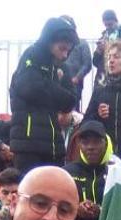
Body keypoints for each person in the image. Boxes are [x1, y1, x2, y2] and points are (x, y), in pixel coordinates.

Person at [9, 17, 78, 174]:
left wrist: (47, 86)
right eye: (62, 46)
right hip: (28, 144)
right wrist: (55, 85)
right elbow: (29, 88)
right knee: (30, 195)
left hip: (54, 145)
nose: (66, 52)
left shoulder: (63, 67)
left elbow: (70, 101)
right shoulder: (32, 55)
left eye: (69, 48)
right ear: (50, 40)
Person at [64, 120, 114, 220]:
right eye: (85, 142)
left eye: (96, 142)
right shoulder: (66, 172)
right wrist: (76, 209)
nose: (91, 147)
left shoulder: (117, 172)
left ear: (106, 142)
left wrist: (101, 211)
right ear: (79, 144)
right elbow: (57, 205)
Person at [92, 9, 121, 81]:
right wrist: (98, 51)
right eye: (106, 25)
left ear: (116, 21)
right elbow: (95, 62)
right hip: (103, 78)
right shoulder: (103, 36)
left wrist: (109, 47)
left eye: (110, 24)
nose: (108, 27)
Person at [61, 15, 92, 112]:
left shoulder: (82, 44)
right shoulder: (56, 46)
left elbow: (87, 64)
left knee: (72, 110)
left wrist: (77, 78)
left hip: (75, 84)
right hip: (59, 84)